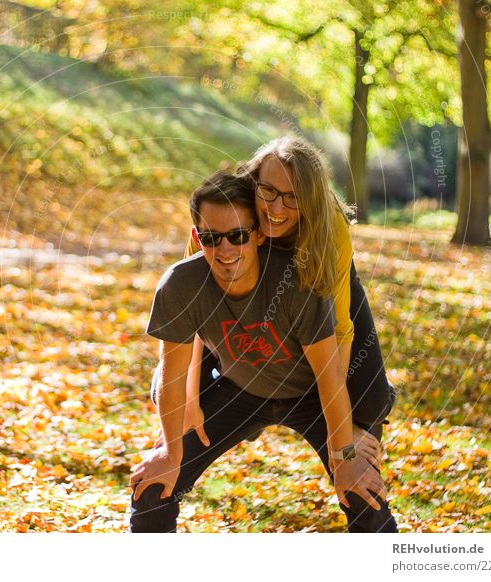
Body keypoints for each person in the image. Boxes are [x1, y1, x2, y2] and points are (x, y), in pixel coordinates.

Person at [129, 171, 397, 532]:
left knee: (361, 490)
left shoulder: (297, 283)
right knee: (152, 488)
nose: (225, 251)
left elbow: (330, 377)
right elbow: (173, 373)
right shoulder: (180, 285)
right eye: (211, 238)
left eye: (237, 236)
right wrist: (170, 452)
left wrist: (345, 452)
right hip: (238, 390)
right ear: (197, 238)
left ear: (257, 234)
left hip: (310, 395)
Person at [154, 136, 394, 452]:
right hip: (231, 301)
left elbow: (340, 329)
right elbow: (192, 305)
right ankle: (242, 406)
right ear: (254, 183)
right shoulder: (223, 215)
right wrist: (189, 401)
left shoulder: (329, 228)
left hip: (316, 291)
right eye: (268, 191)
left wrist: (344, 428)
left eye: (293, 197)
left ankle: (372, 426)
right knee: (167, 390)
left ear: (309, 200)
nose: (276, 208)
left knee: (370, 403)